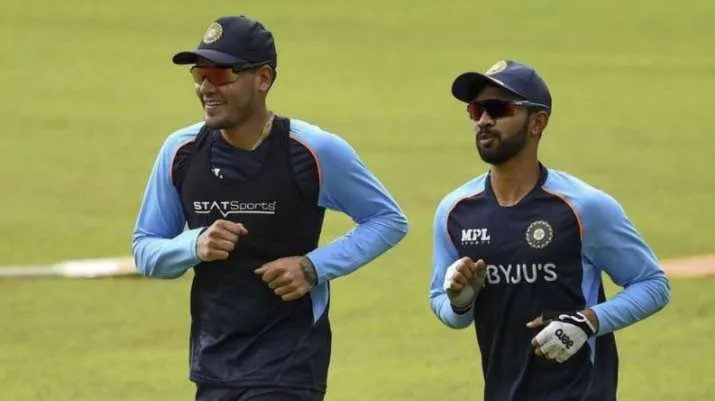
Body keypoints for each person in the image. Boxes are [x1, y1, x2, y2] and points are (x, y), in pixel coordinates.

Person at [131, 15, 408, 401]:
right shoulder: (181, 151)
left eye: (221, 74)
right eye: (200, 75)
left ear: (263, 78)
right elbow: (146, 249)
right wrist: (194, 244)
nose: (207, 87)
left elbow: (387, 219)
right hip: (214, 364)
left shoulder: (313, 150)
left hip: (290, 363)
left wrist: (312, 267)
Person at [428, 59, 670, 401]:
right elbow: (444, 306)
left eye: (498, 108)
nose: (484, 120)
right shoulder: (456, 212)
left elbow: (653, 284)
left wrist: (588, 321)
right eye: (476, 110)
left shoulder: (584, 207)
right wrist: (459, 302)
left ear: (537, 122)